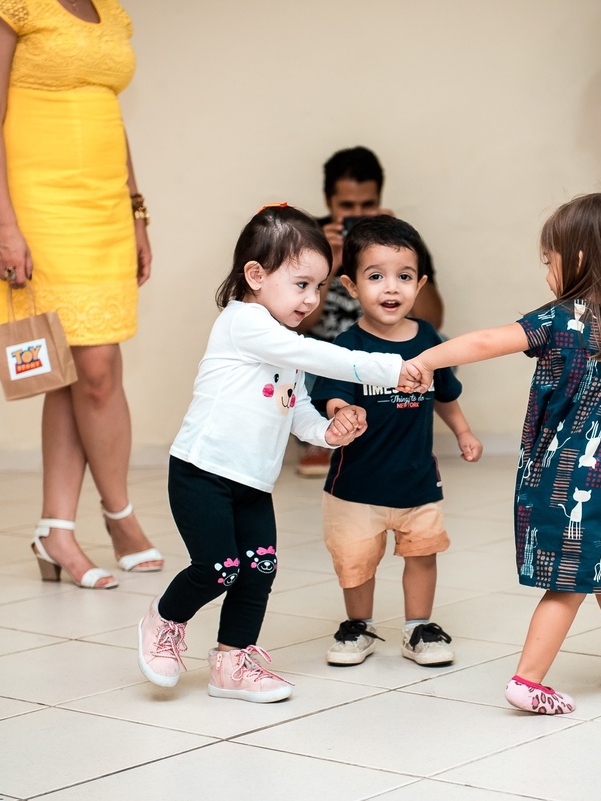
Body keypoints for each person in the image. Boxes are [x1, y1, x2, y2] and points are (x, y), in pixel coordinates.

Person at [407, 187, 601, 714]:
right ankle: (588, 663)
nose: (547, 273)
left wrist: (426, 360)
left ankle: (547, 674)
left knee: (578, 577)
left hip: (572, 471)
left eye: (549, 260)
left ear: (580, 259)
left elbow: (487, 341)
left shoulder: (562, 319)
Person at [135, 205, 425, 703]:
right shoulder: (244, 323)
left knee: (259, 569)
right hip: (203, 472)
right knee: (218, 567)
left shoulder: (284, 344)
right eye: (301, 284)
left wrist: (329, 432)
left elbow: (296, 409)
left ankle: (232, 663)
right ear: (255, 275)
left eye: (319, 287)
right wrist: (389, 368)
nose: (311, 299)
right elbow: (318, 356)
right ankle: (163, 620)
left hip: (252, 482)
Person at [0, 0, 162, 589]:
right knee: (94, 367)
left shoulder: (109, 11)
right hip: (36, 202)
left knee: (77, 369)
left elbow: (110, 113)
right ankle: (120, 516)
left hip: (103, 201)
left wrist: (136, 211)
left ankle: (56, 529)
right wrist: (4, 224)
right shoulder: (4, 6)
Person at [311, 216, 483, 668]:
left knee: (423, 554)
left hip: (416, 479)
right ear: (351, 286)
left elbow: (444, 395)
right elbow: (331, 395)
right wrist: (340, 412)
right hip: (356, 485)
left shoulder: (428, 340)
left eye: (404, 277)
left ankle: (418, 627)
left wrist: (463, 431)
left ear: (419, 284)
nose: (391, 288)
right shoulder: (346, 345)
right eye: (375, 277)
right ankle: (359, 626)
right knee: (356, 561)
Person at [294, 146, 446, 477]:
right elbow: (297, 327)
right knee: (293, 361)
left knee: (440, 346)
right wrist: (325, 264)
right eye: (347, 206)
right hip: (325, 357)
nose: (358, 214)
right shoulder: (310, 240)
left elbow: (432, 321)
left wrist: (396, 254)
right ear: (328, 200)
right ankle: (319, 436)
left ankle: (400, 432)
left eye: (367, 205)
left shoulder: (397, 241)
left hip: (384, 349)